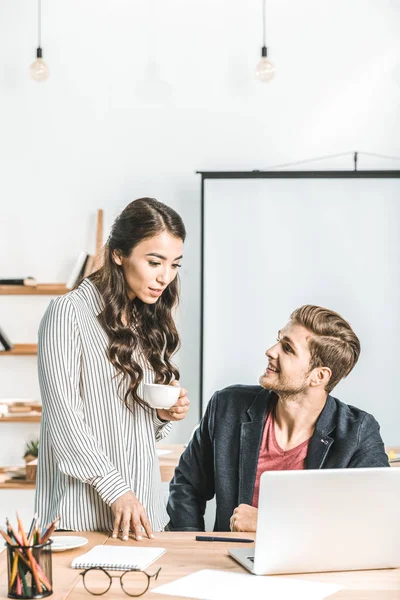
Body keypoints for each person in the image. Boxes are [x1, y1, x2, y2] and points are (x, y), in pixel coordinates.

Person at [35, 197, 190, 541]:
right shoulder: (67, 314)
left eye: (175, 265)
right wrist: (115, 488)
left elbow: (132, 428)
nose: (165, 276)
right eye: (154, 262)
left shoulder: (142, 321)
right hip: (80, 518)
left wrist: (161, 415)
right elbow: (64, 421)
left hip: (140, 514)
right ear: (119, 254)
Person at [167, 305, 389, 532]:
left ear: (318, 376)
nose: (271, 351)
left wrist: (269, 521)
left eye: (288, 348)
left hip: (311, 566)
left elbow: (374, 516)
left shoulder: (358, 432)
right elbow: (187, 485)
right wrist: (193, 546)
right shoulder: (228, 406)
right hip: (227, 561)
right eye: (278, 340)